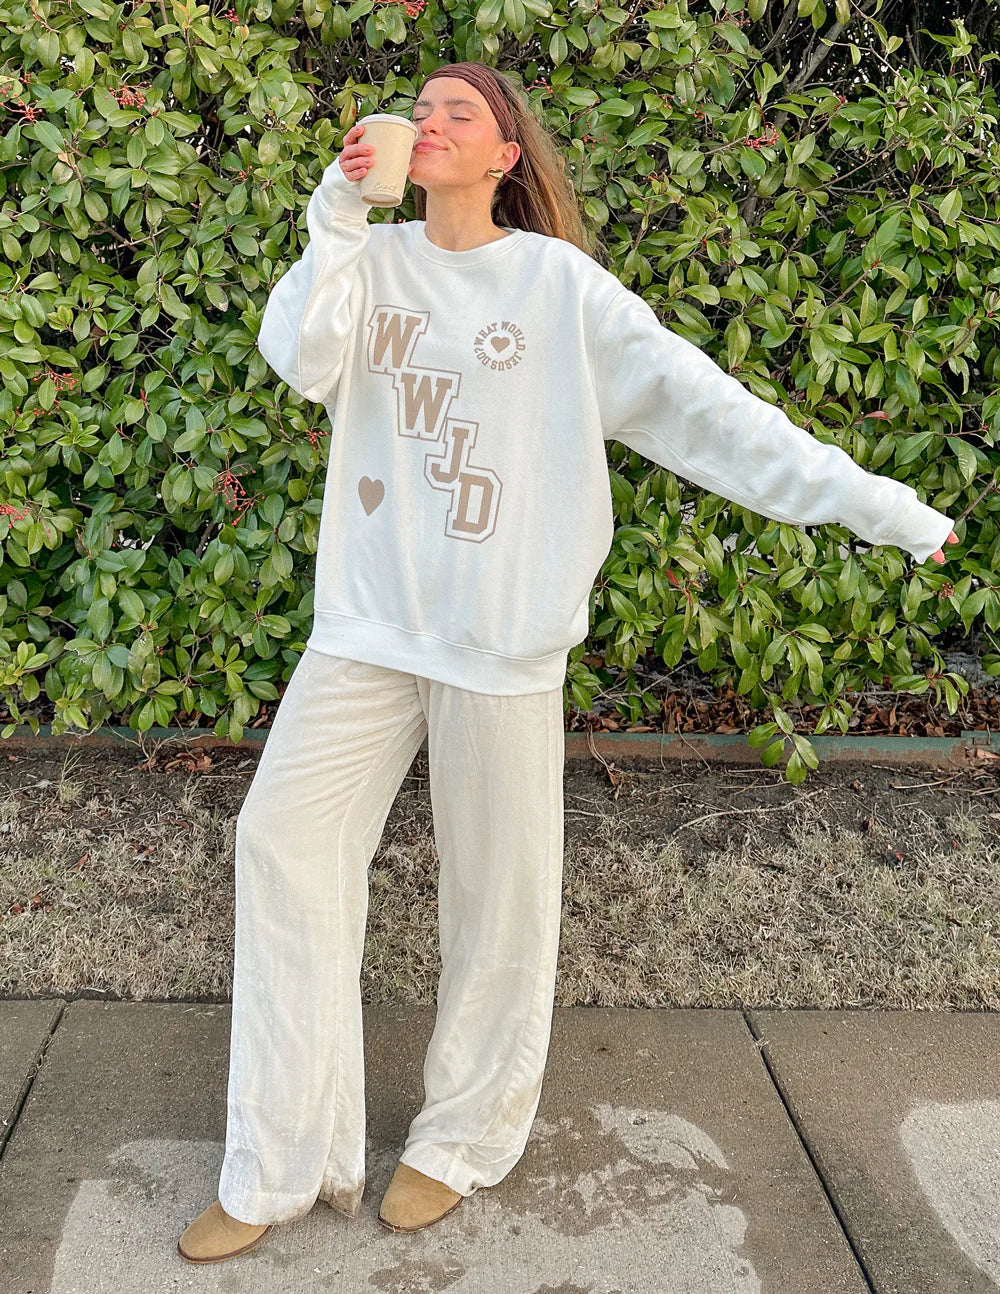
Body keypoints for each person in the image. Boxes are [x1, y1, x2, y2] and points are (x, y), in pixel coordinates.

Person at [177, 60, 958, 1264]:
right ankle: (277, 1160)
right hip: (368, 625)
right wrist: (336, 208)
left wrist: (888, 510)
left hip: (501, 637)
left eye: (460, 112)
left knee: (497, 900)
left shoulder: (558, 288)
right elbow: (300, 353)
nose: (429, 122)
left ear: (504, 156)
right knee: (281, 842)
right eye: (419, 109)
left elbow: (713, 414)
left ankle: (457, 1141)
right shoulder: (368, 260)